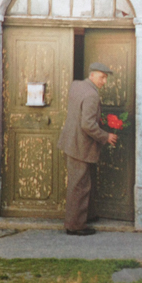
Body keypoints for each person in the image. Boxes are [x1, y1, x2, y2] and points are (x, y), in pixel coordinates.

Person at [58, 62, 118, 236]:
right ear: (92, 75)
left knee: (84, 181)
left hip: (71, 142)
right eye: (102, 77)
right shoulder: (92, 95)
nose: (104, 81)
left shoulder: (77, 85)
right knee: (79, 186)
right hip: (80, 146)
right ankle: (75, 225)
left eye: (106, 78)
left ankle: (87, 215)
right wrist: (106, 136)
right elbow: (87, 124)